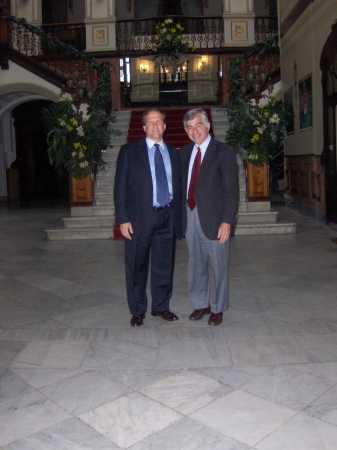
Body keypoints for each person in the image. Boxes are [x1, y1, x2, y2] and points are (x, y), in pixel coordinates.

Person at [114, 108, 182, 327]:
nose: (155, 126)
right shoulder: (129, 151)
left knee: (164, 266)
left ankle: (161, 306)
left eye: (159, 122)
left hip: (167, 216)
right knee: (136, 266)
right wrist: (123, 219)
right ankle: (137, 310)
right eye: (150, 123)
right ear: (143, 127)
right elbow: (120, 187)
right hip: (138, 218)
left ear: (165, 126)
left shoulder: (174, 152)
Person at [180, 108, 239, 326]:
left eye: (198, 125)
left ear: (207, 126)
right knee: (195, 263)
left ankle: (218, 307)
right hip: (190, 214)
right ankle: (200, 304)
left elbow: (231, 191)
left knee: (219, 265)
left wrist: (227, 222)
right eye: (189, 127)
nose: (194, 131)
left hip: (215, 218)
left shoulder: (223, 152)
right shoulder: (184, 152)